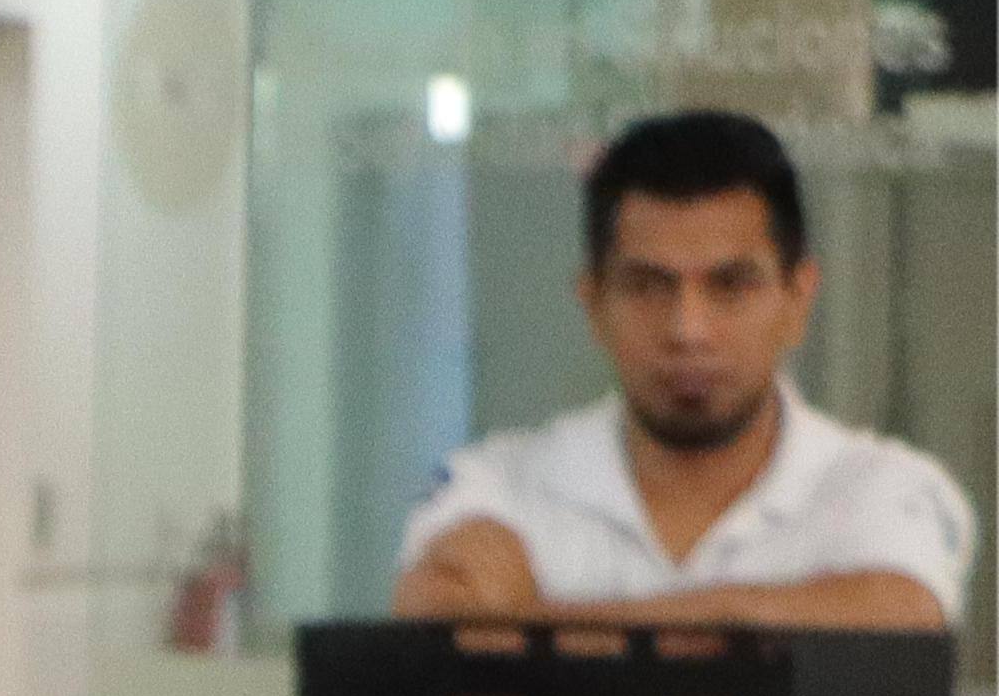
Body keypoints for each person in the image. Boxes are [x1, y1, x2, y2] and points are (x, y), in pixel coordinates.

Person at [388, 109, 970, 631]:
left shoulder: (888, 489)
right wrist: (759, 634)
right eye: (647, 285)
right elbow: (445, 637)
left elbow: (897, 625)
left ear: (798, 300)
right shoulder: (496, 484)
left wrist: (537, 633)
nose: (688, 329)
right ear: (593, 304)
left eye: (731, 285)